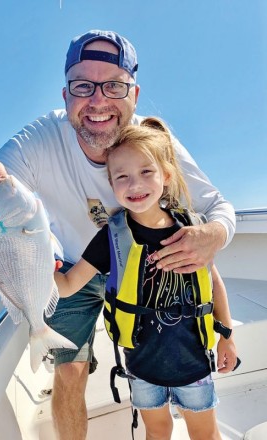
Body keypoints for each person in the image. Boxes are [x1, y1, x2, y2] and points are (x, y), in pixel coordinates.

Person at [0, 30, 236, 439]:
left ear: (134, 94)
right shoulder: (38, 140)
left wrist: (213, 234)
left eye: (114, 86)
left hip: (144, 261)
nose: (98, 100)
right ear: (65, 95)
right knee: (70, 369)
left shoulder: (153, 141)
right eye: (83, 85)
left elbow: (218, 206)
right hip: (74, 268)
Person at [53, 117, 238, 440]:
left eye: (146, 172)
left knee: (205, 434)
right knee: (157, 431)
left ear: (166, 176)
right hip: (142, 368)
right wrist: (35, 263)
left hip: (192, 363)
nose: (134, 185)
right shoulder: (111, 237)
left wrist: (227, 336)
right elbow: (68, 285)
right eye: (122, 176)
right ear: (111, 185)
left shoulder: (191, 230)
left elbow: (215, 285)